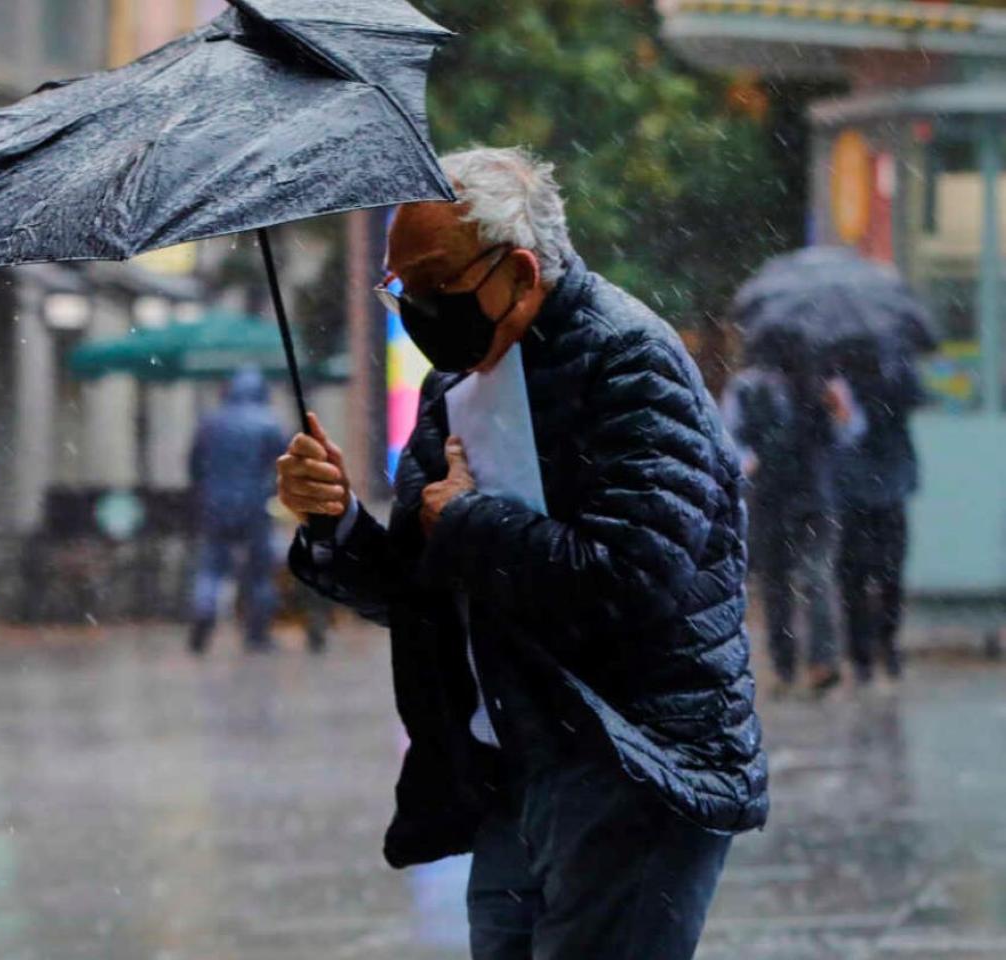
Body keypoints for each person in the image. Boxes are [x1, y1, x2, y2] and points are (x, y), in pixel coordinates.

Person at [277, 147, 765, 959]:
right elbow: (420, 586)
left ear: (521, 271)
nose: (418, 308)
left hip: (633, 761)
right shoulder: (453, 386)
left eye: (436, 283)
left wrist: (469, 522)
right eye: (401, 289)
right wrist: (332, 521)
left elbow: (634, 577)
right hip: (512, 767)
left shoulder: (627, 363)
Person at [722, 342, 862, 697]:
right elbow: (730, 437)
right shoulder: (749, 386)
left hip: (814, 496)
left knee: (815, 577)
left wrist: (837, 410)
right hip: (771, 497)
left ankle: (821, 663)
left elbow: (850, 433)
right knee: (776, 584)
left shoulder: (826, 385)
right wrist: (748, 462)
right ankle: (786, 666)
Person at [833, 341, 922, 691]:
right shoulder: (846, 372)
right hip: (869, 487)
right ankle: (873, 649)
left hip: (878, 486)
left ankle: (871, 649)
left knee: (874, 574)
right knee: (873, 573)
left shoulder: (893, 369)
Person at [187, 367, 288, 654]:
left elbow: (195, 466)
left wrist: (205, 491)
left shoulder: (211, 422)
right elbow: (284, 465)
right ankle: (257, 633)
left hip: (215, 504)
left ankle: (204, 610)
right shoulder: (269, 423)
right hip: (255, 505)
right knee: (259, 572)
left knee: (212, 566)